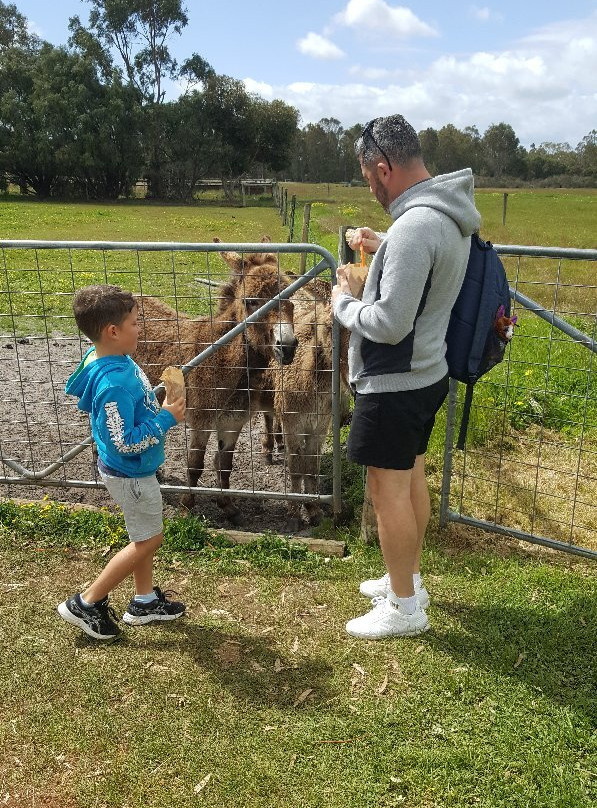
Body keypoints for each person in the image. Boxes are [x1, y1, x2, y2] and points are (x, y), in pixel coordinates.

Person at [331, 115, 481, 639]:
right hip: (427, 373)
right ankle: (408, 580)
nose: (370, 187)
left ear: (384, 166)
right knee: (411, 477)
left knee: (386, 488)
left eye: (369, 177)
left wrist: (344, 304)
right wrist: (385, 242)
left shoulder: (416, 228)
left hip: (394, 381)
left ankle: (404, 608)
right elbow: (420, 264)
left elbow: (391, 323)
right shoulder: (442, 216)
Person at [57, 285, 187, 641]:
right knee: (149, 541)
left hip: (129, 472)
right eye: (134, 322)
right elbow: (125, 442)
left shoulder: (104, 358)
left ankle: (143, 600)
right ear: (112, 332)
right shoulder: (114, 383)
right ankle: (86, 602)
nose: (140, 327)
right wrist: (164, 419)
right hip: (132, 474)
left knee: (142, 534)